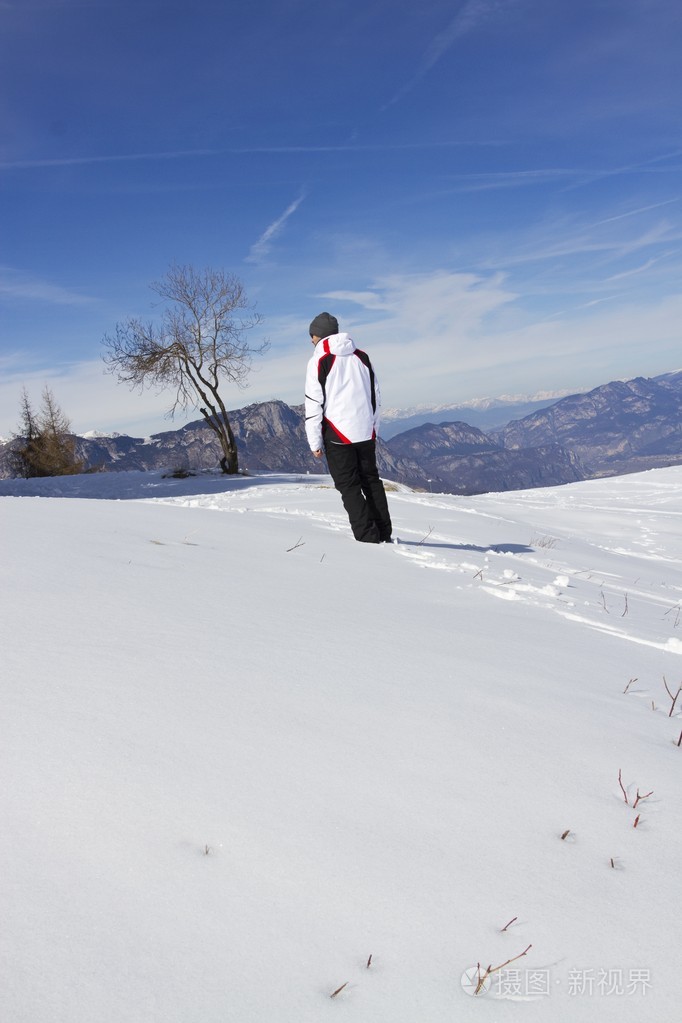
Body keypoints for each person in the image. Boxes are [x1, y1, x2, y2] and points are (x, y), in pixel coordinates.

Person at [304, 311, 393, 544]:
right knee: (371, 480)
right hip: (365, 430)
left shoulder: (318, 361)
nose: (311, 341)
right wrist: (374, 428)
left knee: (349, 486)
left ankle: (367, 537)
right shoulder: (362, 357)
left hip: (337, 434)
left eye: (311, 337)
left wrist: (314, 442)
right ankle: (384, 532)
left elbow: (314, 404)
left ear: (317, 335)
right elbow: (376, 396)